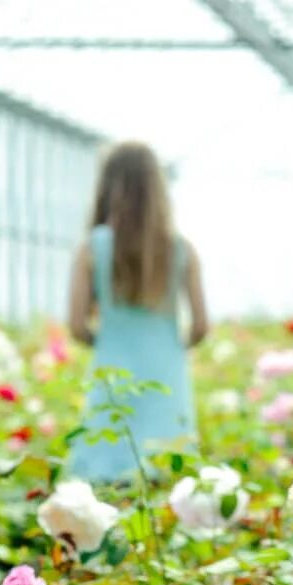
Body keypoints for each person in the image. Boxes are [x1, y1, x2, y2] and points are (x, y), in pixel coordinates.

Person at [64, 140, 208, 483]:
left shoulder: (92, 248)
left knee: (106, 467)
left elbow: (76, 325)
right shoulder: (181, 249)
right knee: (166, 467)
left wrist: (110, 340)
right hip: (167, 370)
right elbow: (201, 326)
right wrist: (171, 344)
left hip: (112, 368)